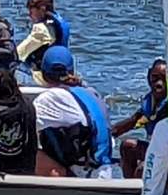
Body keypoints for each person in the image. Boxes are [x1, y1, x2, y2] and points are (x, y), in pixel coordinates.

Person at [32, 46, 119, 178]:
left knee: (29, 150)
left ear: (43, 74)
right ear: (72, 70)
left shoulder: (49, 99)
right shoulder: (91, 92)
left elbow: (23, 126)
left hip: (81, 176)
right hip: (104, 171)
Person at [111, 58, 168, 178]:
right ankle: (129, 188)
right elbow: (133, 121)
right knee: (127, 146)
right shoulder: (150, 102)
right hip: (154, 149)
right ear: (148, 77)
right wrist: (107, 135)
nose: (159, 84)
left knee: (142, 169)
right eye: (155, 78)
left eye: (164, 79)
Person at [15, 0, 71, 81]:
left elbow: (19, 52)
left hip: (44, 77)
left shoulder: (40, 29)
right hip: (62, 72)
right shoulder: (59, 23)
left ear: (42, 10)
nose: (29, 16)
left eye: (31, 12)